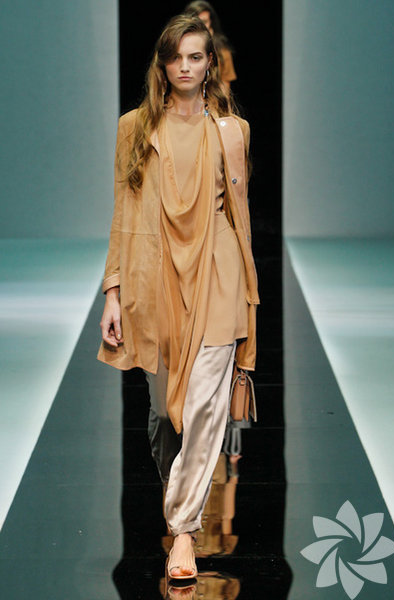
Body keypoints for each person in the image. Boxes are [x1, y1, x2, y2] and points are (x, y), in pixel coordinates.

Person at [97, 14, 259, 581]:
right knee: (167, 413)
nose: (185, 67)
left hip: (218, 271)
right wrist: (113, 290)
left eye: (196, 57)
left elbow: (239, 215)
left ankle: (184, 532)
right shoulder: (135, 127)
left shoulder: (232, 131)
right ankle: (180, 499)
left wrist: (250, 291)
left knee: (204, 407)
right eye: (176, 57)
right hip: (155, 277)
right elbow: (122, 213)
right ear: (162, 64)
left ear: (210, 64)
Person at [184, 1, 237, 91]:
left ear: (211, 23)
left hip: (211, 98)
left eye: (204, 22)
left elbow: (225, 86)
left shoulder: (222, 51)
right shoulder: (178, 46)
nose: (201, 26)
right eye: (196, 22)